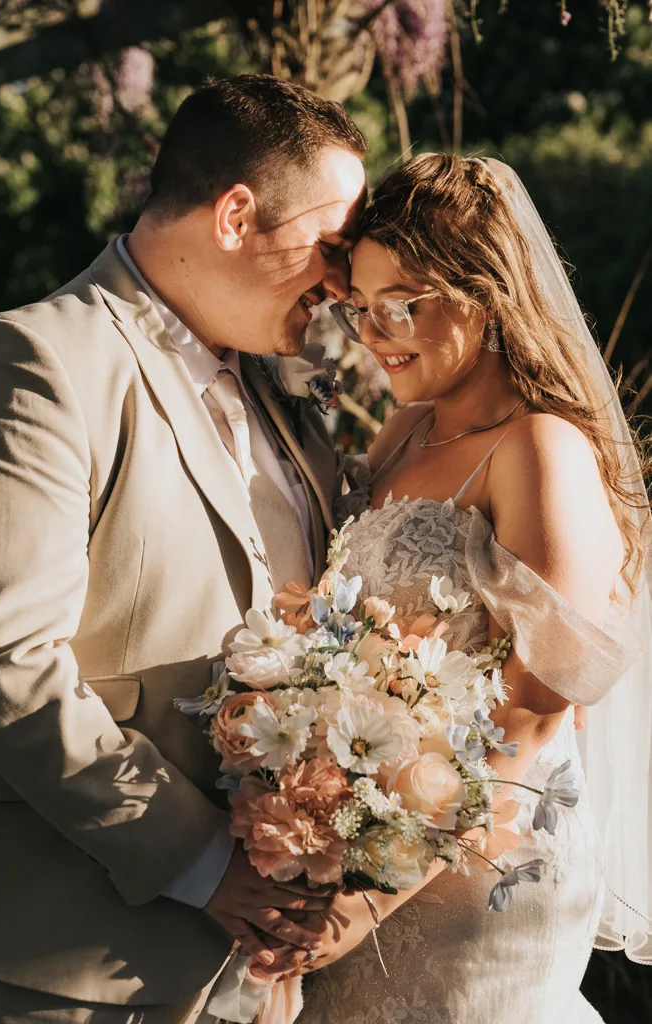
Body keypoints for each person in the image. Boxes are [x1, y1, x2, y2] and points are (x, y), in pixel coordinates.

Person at [0, 74, 369, 1023]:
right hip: (76, 968)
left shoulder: (285, 390)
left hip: (260, 977)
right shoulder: (40, 361)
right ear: (235, 214)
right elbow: (1, 661)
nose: (340, 282)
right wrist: (201, 860)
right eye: (329, 245)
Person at [288, 154, 651, 1023]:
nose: (374, 334)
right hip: (367, 843)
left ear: (483, 294)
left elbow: (534, 705)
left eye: (402, 304)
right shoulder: (404, 434)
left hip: (479, 871)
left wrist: (375, 891)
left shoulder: (539, 449)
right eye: (360, 307)